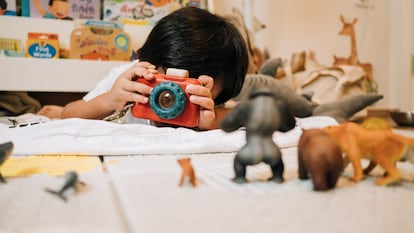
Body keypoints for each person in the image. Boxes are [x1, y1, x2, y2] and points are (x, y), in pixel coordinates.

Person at [39, 7, 248, 130]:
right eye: (168, 88)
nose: (175, 99)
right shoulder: (131, 81)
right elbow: (69, 116)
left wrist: (206, 123)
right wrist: (108, 101)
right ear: (149, 64)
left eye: (191, 89)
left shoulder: (211, 106)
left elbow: (242, 116)